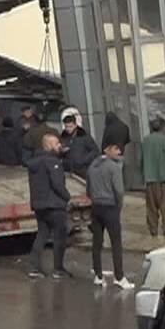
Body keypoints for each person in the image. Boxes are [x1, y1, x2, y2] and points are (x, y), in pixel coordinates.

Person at [26, 132, 73, 280]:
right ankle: (58, 269)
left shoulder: (34, 162)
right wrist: (68, 197)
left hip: (39, 205)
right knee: (60, 237)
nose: (60, 146)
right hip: (54, 204)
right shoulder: (53, 162)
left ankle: (34, 268)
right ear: (50, 145)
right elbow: (57, 184)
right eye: (57, 143)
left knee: (42, 235)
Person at [86, 139, 132, 289]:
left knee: (97, 242)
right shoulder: (113, 168)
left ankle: (98, 276)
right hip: (110, 207)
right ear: (108, 150)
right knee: (116, 243)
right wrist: (118, 206)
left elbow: (88, 188)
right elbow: (119, 190)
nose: (119, 153)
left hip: (96, 206)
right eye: (116, 149)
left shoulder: (93, 166)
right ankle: (119, 277)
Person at [59, 107, 99, 176]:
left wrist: (84, 160)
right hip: (69, 171)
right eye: (66, 127)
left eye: (70, 126)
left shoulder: (84, 136)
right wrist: (61, 151)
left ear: (75, 125)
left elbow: (95, 150)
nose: (68, 129)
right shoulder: (63, 137)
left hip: (83, 170)